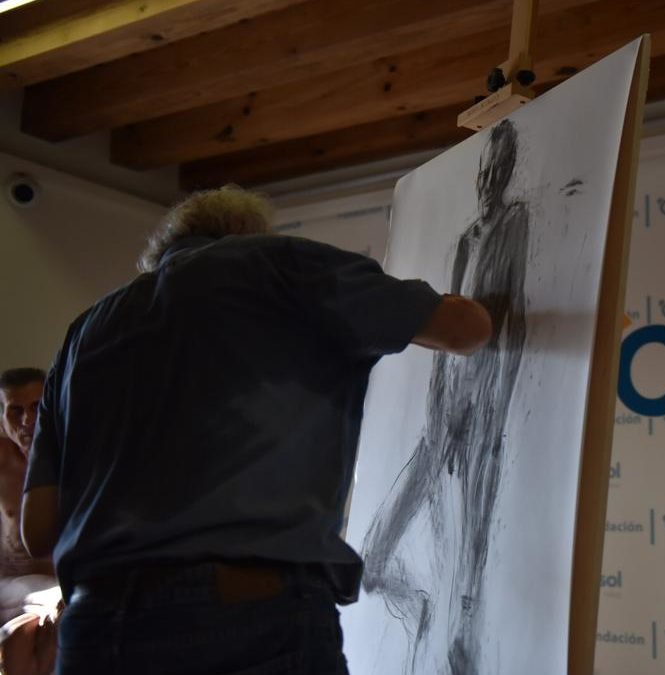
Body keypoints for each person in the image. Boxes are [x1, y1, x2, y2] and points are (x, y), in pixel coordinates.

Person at [19, 185, 492, 675]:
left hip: (97, 629)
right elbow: (466, 328)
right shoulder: (276, 265)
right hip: (248, 616)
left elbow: (38, 529)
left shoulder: (82, 335)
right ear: (247, 234)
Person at [361, 119, 527, 673]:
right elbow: (437, 333)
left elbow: (511, 318)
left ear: (507, 170)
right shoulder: (464, 239)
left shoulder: (516, 223)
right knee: (373, 559)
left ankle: (463, 642)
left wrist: (489, 408)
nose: (488, 179)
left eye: (497, 167)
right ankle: (425, 608)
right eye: (484, 168)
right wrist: (440, 413)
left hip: (487, 402)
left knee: (476, 526)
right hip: (446, 407)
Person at [0, 369, 58, 675]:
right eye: (16, 411)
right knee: (21, 640)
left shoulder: (71, 458)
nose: (27, 421)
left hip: (57, 590)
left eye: (37, 407)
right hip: (9, 588)